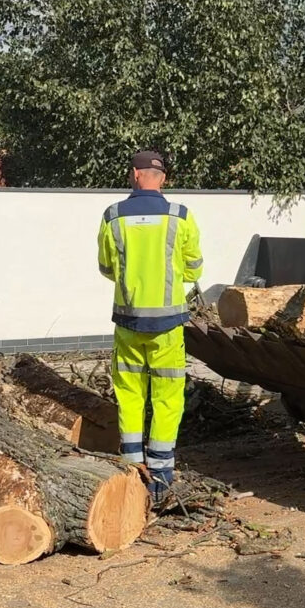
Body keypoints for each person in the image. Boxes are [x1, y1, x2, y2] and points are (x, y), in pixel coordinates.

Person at [97, 150, 203, 504]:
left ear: (134, 175)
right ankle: (161, 476)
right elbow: (194, 268)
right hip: (169, 325)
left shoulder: (113, 216)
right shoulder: (181, 217)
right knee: (168, 397)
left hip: (128, 322)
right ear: (163, 179)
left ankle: (130, 470)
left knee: (129, 393)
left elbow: (107, 266)